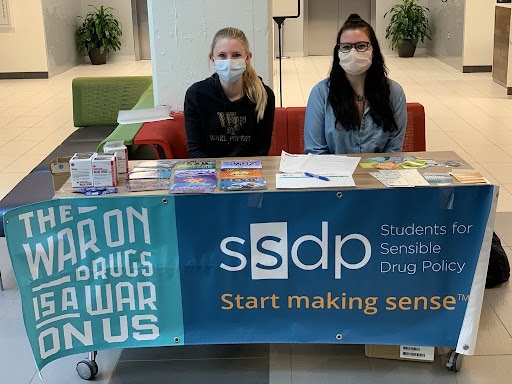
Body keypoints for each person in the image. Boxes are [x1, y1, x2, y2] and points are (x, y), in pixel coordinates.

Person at [304, 14, 407, 155]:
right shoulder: (321, 93)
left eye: (361, 46)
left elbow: (394, 150)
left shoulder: (394, 93)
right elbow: (315, 152)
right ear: (338, 52)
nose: (353, 52)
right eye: (346, 47)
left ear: (373, 49)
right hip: (333, 175)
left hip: (378, 174)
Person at [184, 27, 275, 158]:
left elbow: (261, 151)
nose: (229, 61)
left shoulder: (264, 96)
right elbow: (195, 151)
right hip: (209, 172)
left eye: (236, 55)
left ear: (247, 58)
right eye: (222, 55)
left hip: (249, 172)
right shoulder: (196, 94)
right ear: (212, 58)